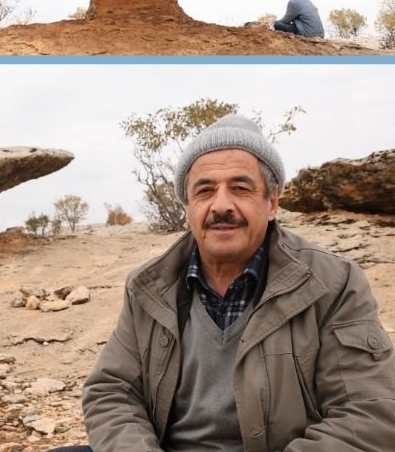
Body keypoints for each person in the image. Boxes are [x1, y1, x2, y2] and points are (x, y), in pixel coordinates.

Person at [62, 114, 395, 452]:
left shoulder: (333, 283)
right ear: (187, 208)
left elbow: (369, 411)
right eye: (205, 190)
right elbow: (112, 391)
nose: (221, 205)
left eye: (240, 188)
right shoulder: (147, 287)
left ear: (272, 203)